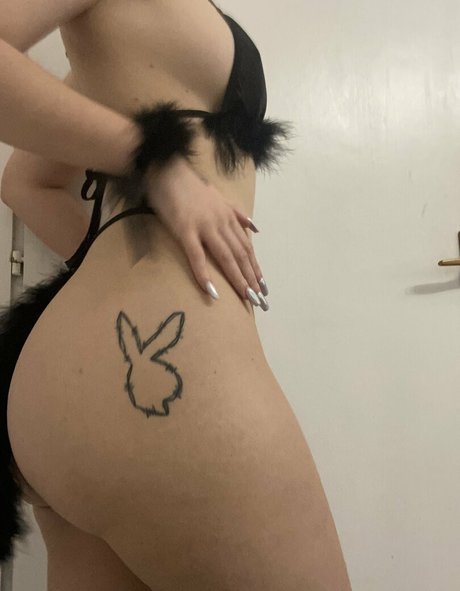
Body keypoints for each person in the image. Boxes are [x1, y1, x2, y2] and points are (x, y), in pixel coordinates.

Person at [0, 0, 352, 589]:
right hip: (167, 370)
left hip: (47, 396)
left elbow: (24, 183)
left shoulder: (115, 60)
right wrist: (158, 167)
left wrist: (113, 266)